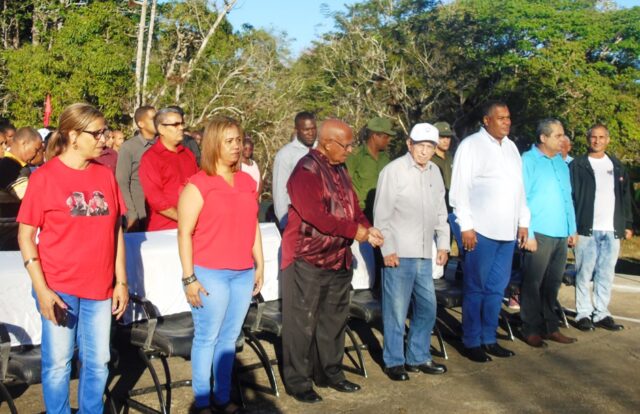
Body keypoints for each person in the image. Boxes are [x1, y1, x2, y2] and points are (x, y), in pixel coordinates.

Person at [16, 103, 128, 413]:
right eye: (97, 133)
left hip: (100, 288)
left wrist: (121, 280)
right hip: (59, 287)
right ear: (74, 135)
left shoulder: (105, 176)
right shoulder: (45, 178)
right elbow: (26, 236)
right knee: (58, 363)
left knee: (98, 361)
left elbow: (116, 230)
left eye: (105, 132)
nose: (104, 139)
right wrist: (41, 289)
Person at [281, 119, 384, 404]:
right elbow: (317, 217)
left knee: (333, 320)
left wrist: (367, 226)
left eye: (352, 144)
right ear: (327, 143)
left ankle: (330, 372)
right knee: (302, 324)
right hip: (308, 257)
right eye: (346, 144)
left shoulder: (339, 169)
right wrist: (356, 232)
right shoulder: (305, 171)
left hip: (338, 258)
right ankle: (298, 381)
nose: (351, 150)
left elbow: (353, 208)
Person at [178, 116, 263, 414]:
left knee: (229, 338)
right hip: (209, 273)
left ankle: (222, 397)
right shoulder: (199, 185)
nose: (237, 146)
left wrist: (260, 265)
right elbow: (184, 233)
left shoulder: (247, 181)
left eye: (239, 140)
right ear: (214, 144)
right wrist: (189, 278)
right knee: (207, 337)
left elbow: (252, 225)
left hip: (242, 273)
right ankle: (202, 402)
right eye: (229, 141)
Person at [449, 101, 530, 363]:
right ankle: (472, 340)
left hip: (507, 233)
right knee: (475, 288)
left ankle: (489, 338)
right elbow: (459, 190)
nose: (506, 122)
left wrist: (523, 221)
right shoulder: (471, 145)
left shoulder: (511, 148)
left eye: (508, 118)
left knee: (497, 290)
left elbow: (519, 188)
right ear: (486, 120)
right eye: (501, 118)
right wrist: (467, 226)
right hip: (480, 231)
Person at [374, 122, 449, 381]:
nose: (425, 151)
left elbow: (441, 210)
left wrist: (443, 244)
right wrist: (388, 249)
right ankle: (394, 361)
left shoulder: (435, 173)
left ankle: (418, 356)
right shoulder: (392, 171)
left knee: (428, 306)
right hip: (398, 253)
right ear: (409, 144)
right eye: (420, 145)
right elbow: (381, 215)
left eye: (430, 146)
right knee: (396, 309)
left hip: (424, 254)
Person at [520, 119, 577, 348]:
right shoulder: (528, 160)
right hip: (539, 232)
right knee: (533, 283)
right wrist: (528, 233)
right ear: (543, 138)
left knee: (553, 283)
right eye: (557, 135)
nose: (562, 139)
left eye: (562, 135)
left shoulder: (562, 164)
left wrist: (572, 229)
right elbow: (521, 197)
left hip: (561, 232)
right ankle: (531, 328)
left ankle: (550, 326)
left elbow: (567, 198)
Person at [570, 124, 633, 332]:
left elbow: (625, 197)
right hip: (586, 229)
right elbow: (570, 198)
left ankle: (601, 313)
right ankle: (583, 313)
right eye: (593, 137)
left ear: (608, 140)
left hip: (611, 229)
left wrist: (628, 224)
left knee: (606, 273)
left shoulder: (617, 166)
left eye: (601, 137)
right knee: (584, 272)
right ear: (588, 139)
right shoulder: (578, 165)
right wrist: (572, 227)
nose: (597, 141)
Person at [139, 107, 198, 231]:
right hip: (164, 231)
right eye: (176, 124)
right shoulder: (150, 158)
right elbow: (155, 199)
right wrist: (182, 218)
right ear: (161, 129)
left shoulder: (188, 154)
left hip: (192, 227)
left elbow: (198, 187)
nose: (181, 128)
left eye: (182, 123)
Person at [272, 111, 317, 229]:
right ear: (296, 130)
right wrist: (285, 224)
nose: (311, 133)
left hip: (322, 222)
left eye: (313, 128)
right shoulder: (285, 155)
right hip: (297, 223)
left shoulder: (321, 150)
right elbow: (280, 191)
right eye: (306, 130)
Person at [345, 117, 395, 222]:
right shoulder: (355, 157)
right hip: (360, 213)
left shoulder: (386, 159)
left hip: (383, 213)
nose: (389, 140)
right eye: (386, 137)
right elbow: (344, 184)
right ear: (375, 136)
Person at [116, 105, 156, 231]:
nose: (158, 122)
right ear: (141, 123)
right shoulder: (129, 147)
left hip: (161, 213)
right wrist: (131, 213)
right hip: (140, 212)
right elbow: (122, 182)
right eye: (153, 119)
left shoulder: (162, 145)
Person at [0, 127, 43, 200]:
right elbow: (29, 197)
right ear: (23, 143)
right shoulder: (9, 166)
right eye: (36, 149)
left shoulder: (18, 165)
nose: (38, 154)